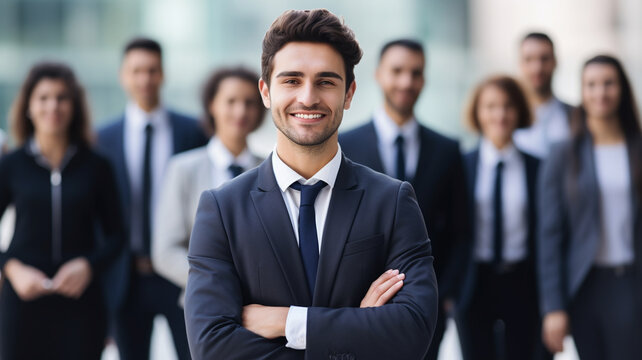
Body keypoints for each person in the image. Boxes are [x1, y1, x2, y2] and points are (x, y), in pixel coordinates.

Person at [185, 9, 438, 360]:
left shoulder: (393, 201)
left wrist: (289, 323)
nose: (307, 98)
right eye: (291, 80)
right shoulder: (222, 208)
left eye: (326, 81)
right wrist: (356, 328)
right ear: (265, 91)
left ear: (348, 94)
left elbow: (412, 331)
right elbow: (211, 347)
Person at [339, 39, 467, 360]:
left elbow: (461, 230)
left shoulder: (447, 150)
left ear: (424, 80)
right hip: (359, 305)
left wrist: (446, 293)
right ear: (379, 74)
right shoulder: (344, 145)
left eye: (415, 73)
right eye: (397, 71)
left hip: (426, 305)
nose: (406, 82)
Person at [0, 62, 123, 359]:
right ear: (28, 106)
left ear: (74, 106)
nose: (52, 106)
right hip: (22, 300)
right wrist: (11, 268)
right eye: (43, 98)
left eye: (62, 97)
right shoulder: (12, 165)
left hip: (81, 302)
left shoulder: (97, 166)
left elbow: (117, 234)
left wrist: (88, 265)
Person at [96, 37, 207, 360]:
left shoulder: (191, 131)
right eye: (137, 71)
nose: (145, 79)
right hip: (125, 277)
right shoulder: (103, 138)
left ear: (163, 74)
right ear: (123, 76)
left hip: (179, 272)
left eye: (152, 70)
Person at [538, 55, 642, 360]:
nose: (601, 92)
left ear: (622, 89)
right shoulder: (563, 154)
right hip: (583, 286)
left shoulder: (637, 148)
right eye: (591, 85)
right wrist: (553, 306)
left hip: (630, 283)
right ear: (582, 92)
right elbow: (550, 235)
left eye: (609, 83)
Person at [152, 67, 265, 305]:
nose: (240, 111)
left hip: (262, 304)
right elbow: (165, 251)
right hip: (203, 302)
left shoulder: (270, 170)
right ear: (212, 105)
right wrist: (217, 282)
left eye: (249, 102)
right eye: (231, 101)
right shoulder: (183, 169)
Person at [456, 75, 546, 360]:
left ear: (519, 110)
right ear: (477, 112)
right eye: (490, 106)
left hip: (522, 280)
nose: (500, 114)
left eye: (508, 106)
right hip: (474, 282)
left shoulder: (537, 168)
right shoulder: (461, 165)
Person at [514, 32, 573, 158]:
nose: (537, 68)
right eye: (529, 59)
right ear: (519, 64)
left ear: (555, 62)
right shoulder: (506, 119)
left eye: (544, 59)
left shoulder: (576, 116)